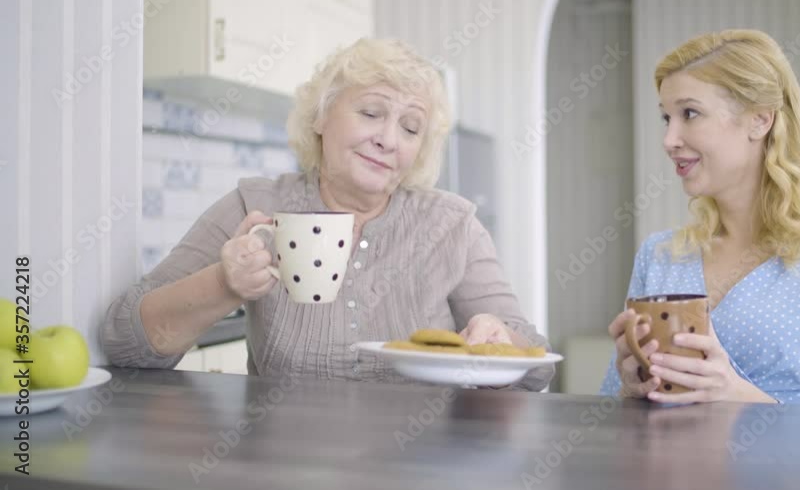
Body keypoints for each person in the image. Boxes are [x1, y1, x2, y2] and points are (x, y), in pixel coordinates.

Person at [102, 38, 554, 391]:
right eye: (372, 112)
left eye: (410, 127)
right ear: (320, 116)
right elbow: (123, 339)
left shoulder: (452, 225)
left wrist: (500, 339)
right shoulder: (256, 207)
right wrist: (224, 284)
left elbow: (537, 369)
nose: (389, 139)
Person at [601, 29, 800, 406]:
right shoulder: (659, 255)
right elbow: (614, 417)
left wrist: (735, 396)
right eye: (667, 118)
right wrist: (629, 386)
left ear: (760, 121)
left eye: (689, 113)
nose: (669, 139)